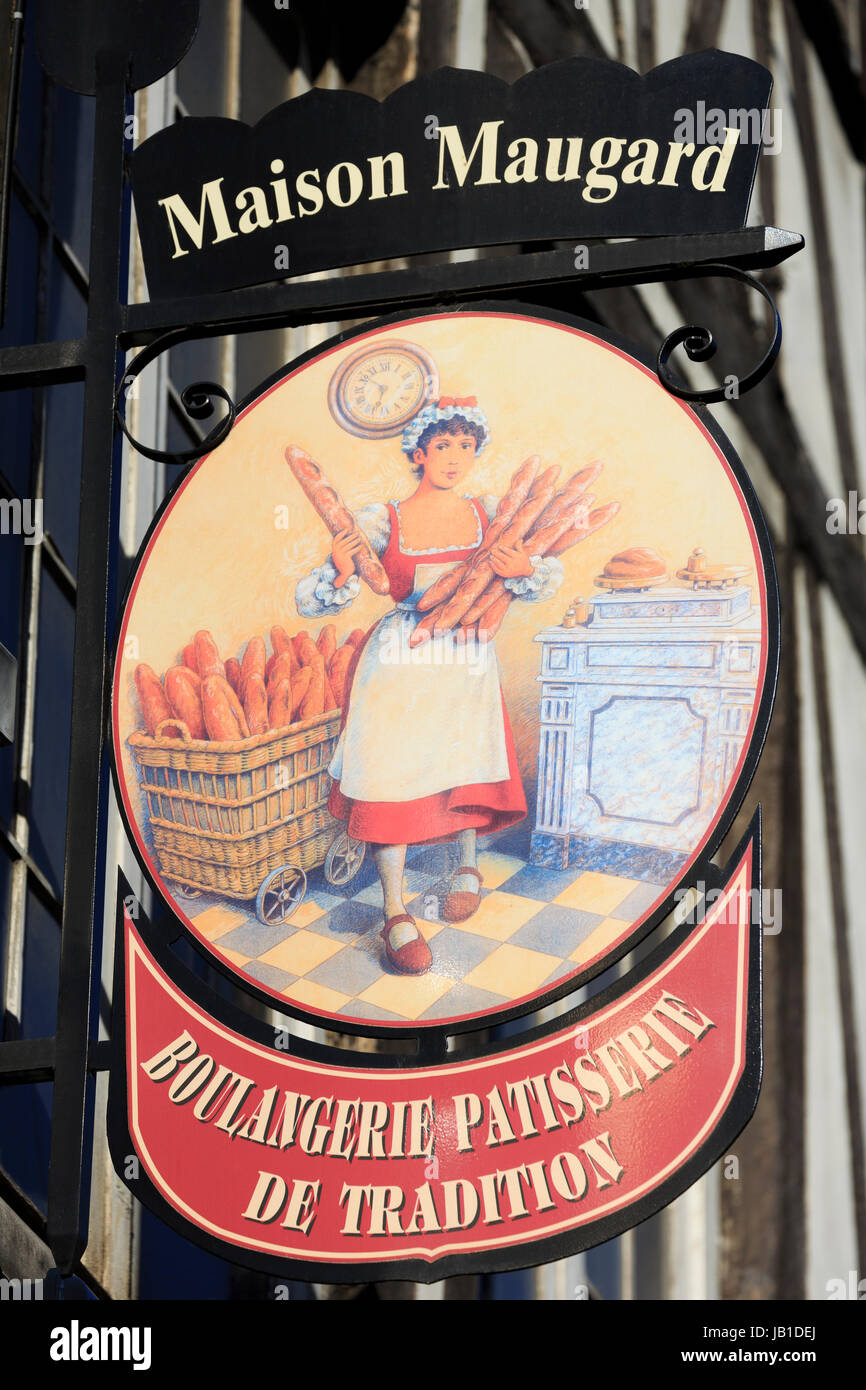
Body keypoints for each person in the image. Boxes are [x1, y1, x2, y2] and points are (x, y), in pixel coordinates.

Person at [295, 396, 564, 975]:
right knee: (393, 775)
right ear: (419, 452)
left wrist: (525, 572)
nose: (455, 458)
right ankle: (394, 908)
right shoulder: (378, 518)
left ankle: (466, 863)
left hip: (466, 656)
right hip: (399, 659)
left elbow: (544, 574)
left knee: (462, 759)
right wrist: (342, 571)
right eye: (444, 445)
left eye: (466, 447)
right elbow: (311, 598)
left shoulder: (491, 513)